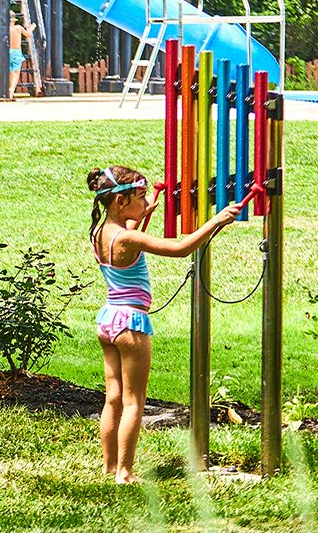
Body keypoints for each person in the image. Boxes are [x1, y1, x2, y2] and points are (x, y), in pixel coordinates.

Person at [87, 165, 240, 484]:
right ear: (119, 202)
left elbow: (128, 237)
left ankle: (109, 467)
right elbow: (181, 249)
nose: (145, 203)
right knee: (134, 401)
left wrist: (145, 215)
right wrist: (217, 221)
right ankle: (125, 473)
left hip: (108, 319)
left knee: (113, 398)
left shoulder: (101, 231)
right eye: (140, 197)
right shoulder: (129, 236)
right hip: (131, 324)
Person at [0, 11, 36, 99]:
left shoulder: (5, 30)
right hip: (17, 52)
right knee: (16, 72)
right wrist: (32, 28)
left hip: (7, 52)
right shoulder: (18, 28)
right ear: (14, 20)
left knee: (9, 72)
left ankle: (6, 89)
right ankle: (11, 89)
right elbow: (28, 34)